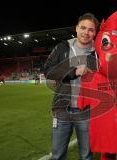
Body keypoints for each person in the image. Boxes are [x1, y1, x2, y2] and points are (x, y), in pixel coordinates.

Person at [43, 13, 99, 160]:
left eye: (91, 30)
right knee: (58, 155)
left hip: (87, 112)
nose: (86, 32)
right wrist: (74, 71)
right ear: (76, 28)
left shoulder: (99, 52)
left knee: (86, 156)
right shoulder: (62, 47)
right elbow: (48, 71)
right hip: (62, 110)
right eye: (83, 28)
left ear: (95, 32)